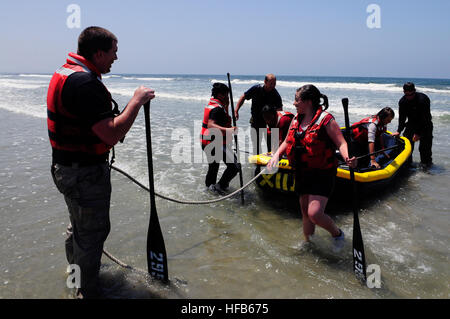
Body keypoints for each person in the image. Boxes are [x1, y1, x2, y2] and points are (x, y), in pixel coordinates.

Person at [47, 26, 155, 298]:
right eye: (113, 53)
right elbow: (112, 133)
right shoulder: (85, 83)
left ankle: (76, 276)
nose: (115, 58)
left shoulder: (67, 72)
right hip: (82, 174)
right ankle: (87, 291)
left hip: (65, 169)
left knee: (79, 228)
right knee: (93, 232)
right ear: (98, 53)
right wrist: (137, 101)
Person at [267, 85, 356, 252]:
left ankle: (337, 234)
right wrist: (275, 156)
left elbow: (341, 143)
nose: (294, 103)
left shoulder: (326, 119)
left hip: (322, 173)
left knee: (314, 213)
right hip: (301, 172)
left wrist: (347, 157)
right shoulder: (296, 119)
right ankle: (309, 243)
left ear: (308, 102)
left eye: (297, 99)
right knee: (305, 213)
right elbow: (287, 141)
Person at [200, 82, 240, 194]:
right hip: (213, 143)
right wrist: (229, 130)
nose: (228, 97)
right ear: (221, 95)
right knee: (235, 166)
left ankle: (210, 190)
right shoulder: (217, 108)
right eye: (226, 95)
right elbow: (211, 125)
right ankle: (220, 187)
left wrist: (226, 106)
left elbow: (223, 119)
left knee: (213, 167)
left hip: (208, 141)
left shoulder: (213, 104)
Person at [234, 74, 283, 154]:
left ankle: (271, 163)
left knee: (271, 146)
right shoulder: (256, 89)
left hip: (270, 123)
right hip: (256, 120)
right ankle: (257, 165)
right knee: (256, 145)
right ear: (265, 82)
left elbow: (280, 111)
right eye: (271, 83)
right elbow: (243, 97)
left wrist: (278, 126)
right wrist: (236, 110)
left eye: (274, 83)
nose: (273, 86)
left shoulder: (275, 95)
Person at [392, 82, 433, 168]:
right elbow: (402, 118)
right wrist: (398, 131)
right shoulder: (402, 101)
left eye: (411, 95)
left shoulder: (423, 99)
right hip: (411, 124)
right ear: (404, 92)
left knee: (424, 149)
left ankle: (427, 168)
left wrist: (418, 133)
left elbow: (425, 118)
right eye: (406, 95)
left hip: (425, 125)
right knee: (407, 147)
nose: (409, 97)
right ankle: (409, 167)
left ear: (414, 91)